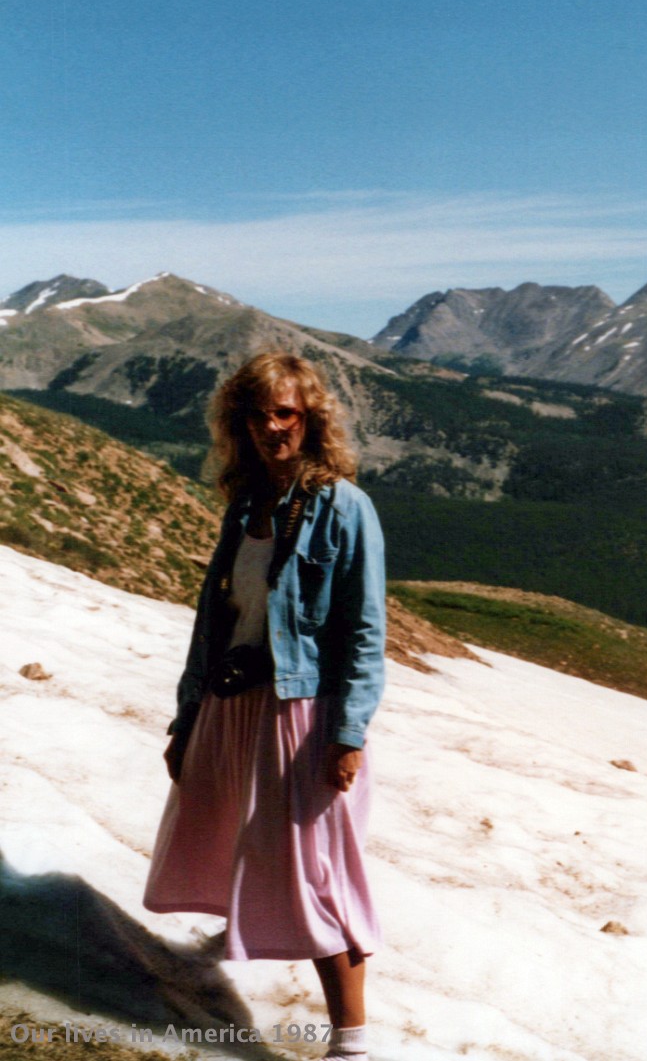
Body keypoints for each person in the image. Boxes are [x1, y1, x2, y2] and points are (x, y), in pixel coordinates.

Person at [144, 352, 385, 1061]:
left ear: (310, 420)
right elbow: (211, 622)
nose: (271, 427)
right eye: (257, 414)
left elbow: (365, 630)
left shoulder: (345, 507)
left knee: (315, 869)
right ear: (238, 422)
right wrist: (187, 719)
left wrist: (346, 734)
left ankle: (351, 1040)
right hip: (233, 700)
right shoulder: (247, 505)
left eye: (286, 413)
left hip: (299, 711)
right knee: (226, 830)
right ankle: (237, 936)